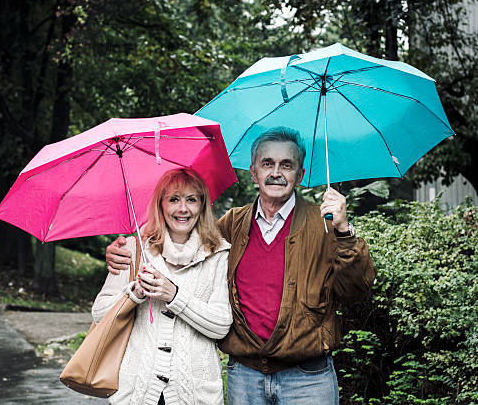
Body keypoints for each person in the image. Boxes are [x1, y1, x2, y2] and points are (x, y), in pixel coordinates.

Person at [105, 127, 376, 405]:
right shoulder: (231, 224)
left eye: (287, 165)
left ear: (300, 174)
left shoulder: (324, 223)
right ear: (253, 172)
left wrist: (343, 228)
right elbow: (181, 237)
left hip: (307, 377)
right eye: (267, 163)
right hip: (245, 375)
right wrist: (127, 248)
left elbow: (355, 290)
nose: (276, 172)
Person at [92, 168, 232, 405]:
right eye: (174, 199)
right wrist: (134, 294)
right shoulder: (133, 249)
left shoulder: (217, 254)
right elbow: (99, 314)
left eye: (191, 200)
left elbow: (220, 325)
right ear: (161, 205)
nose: (183, 209)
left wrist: (174, 295)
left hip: (194, 393)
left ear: (202, 205)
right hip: (137, 389)